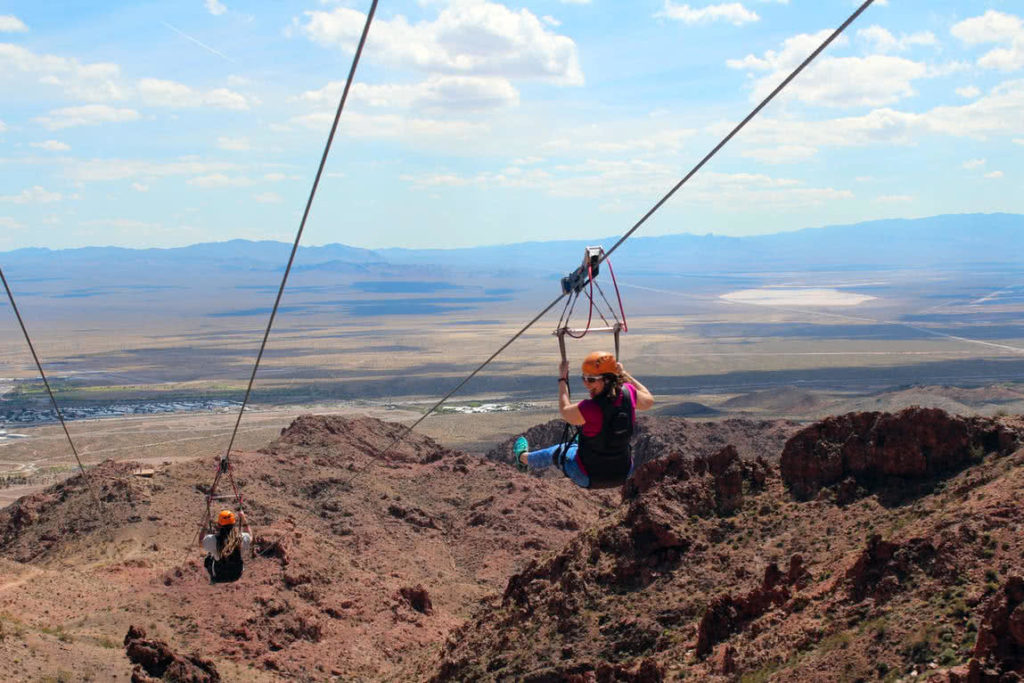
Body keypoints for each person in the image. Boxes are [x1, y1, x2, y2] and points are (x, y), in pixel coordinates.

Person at [514, 351, 654, 489]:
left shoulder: (590, 408)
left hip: (588, 476)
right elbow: (648, 400)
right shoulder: (629, 393)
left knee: (558, 450)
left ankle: (522, 458)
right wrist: (624, 375)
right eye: (584, 378)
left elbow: (565, 411)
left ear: (606, 379)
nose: (586, 384)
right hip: (623, 473)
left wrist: (562, 380)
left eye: (591, 379)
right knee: (588, 438)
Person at [202, 509, 252, 584]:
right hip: (236, 574)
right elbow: (250, 536)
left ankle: (213, 579)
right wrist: (243, 518)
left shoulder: (212, 539)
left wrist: (206, 523)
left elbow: (200, 542)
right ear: (233, 523)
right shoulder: (241, 538)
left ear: (219, 525)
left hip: (218, 575)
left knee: (208, 559)